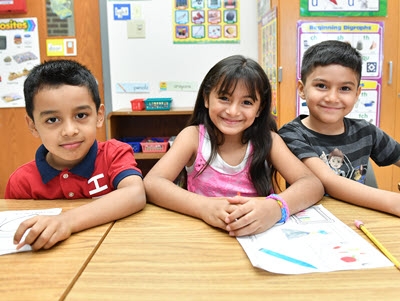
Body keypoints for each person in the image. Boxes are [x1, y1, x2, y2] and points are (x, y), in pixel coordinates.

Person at [144, 55, 324, 237]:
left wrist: (274, 207)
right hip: (202, 235)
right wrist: (203, 207)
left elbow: (312, 184)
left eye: (246, 102)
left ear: (260, 108)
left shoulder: (269, 141)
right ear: (207, 99)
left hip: (258, 237)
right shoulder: (193, 137)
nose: (233, 111)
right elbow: (152, 183)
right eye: (224, 98)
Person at [5, 59, 146, 250]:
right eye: (52, 119)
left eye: (81, 116)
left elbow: (135, 194)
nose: (69, 131)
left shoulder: (114, 154)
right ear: (32, 125)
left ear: (98, 115)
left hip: (113, 253)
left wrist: (66, 221)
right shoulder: (22, 182)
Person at [278, 40, 400, 216]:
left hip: (359, 220)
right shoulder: (291, 134)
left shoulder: (366, 131)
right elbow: (328, 181)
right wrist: (395, 203)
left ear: (357, 93)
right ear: (302, 89)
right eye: (321, 86)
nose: (332, 98)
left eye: (344, 88)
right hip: (312, 222)